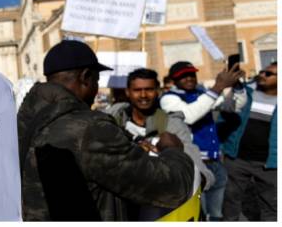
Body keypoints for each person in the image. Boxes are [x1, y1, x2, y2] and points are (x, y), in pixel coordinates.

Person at [18, 40, 194, 221]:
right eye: (96, 80)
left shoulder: (22, 124)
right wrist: (173, 151)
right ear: (86, 77)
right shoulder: (91, 129)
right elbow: (169, 187)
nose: (96, 90)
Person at [105, 68, 215, 220]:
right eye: (138, 90)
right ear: (128, 92)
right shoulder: (112, 120)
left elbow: (201, 173)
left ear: (157, 91)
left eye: (149, 89)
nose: (143, 95)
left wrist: (167, 156)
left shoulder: (172, 125)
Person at [160, 61, 246, 221]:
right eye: (183, 76)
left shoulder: (202, 93)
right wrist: (218, 87)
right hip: (194, 165)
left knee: (217, 214)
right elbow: (189, 116)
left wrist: (237, 86)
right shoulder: (168, 98)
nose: (189, 79)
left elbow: (234, 106)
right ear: (173, 80)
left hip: (215, 162)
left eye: (191, 74)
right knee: (198, 213)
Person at [220, 62, 277, 221]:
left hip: (269, 164)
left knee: (271, 206)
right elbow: (226, 115)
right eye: (262, 72)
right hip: (237, 159)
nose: (262, 75)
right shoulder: (246, 94)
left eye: (269, 74)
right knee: (230, 201)